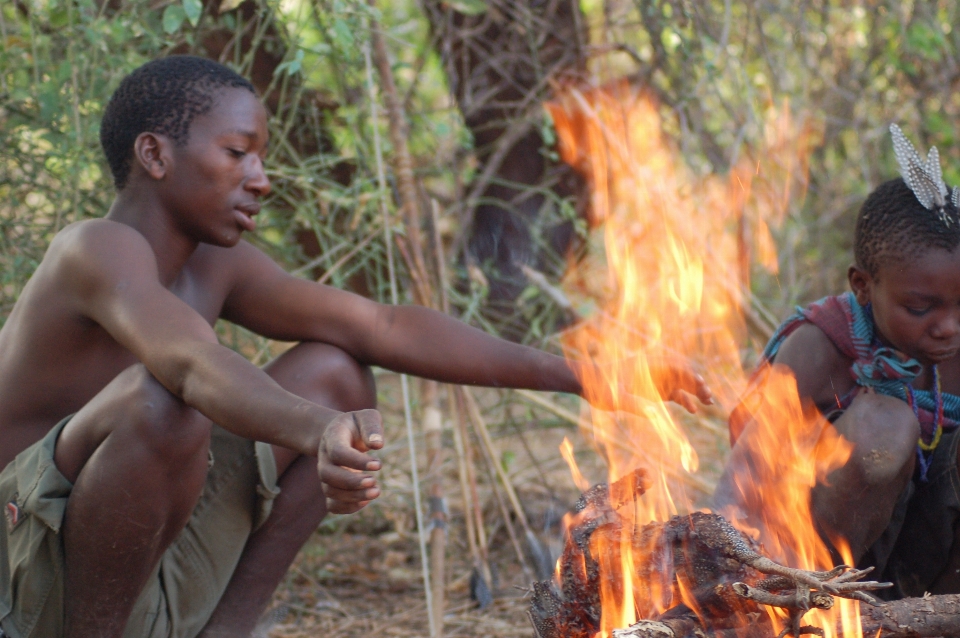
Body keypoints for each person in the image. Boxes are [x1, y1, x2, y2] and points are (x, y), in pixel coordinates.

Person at [0, 56, 710, 638]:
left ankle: (225, 630)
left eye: (262, 157)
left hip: (146, 579)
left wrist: (594, 376)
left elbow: (385, 328)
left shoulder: (218, 266)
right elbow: (188, 364)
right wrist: (319, 434)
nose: (262, 178)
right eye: (237, 152)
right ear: (153, 153)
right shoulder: (92, 250)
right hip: (32, 582)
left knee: (335, 373)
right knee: (164, 397)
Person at [715, 124, 960, 599]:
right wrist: (720, 578)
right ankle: (816, 609)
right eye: (921, 307)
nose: (949, 326)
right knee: (882, 428)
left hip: (926, 574)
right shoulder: (820, 344)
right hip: (812, 562)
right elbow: (743, 480)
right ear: (863, 285)